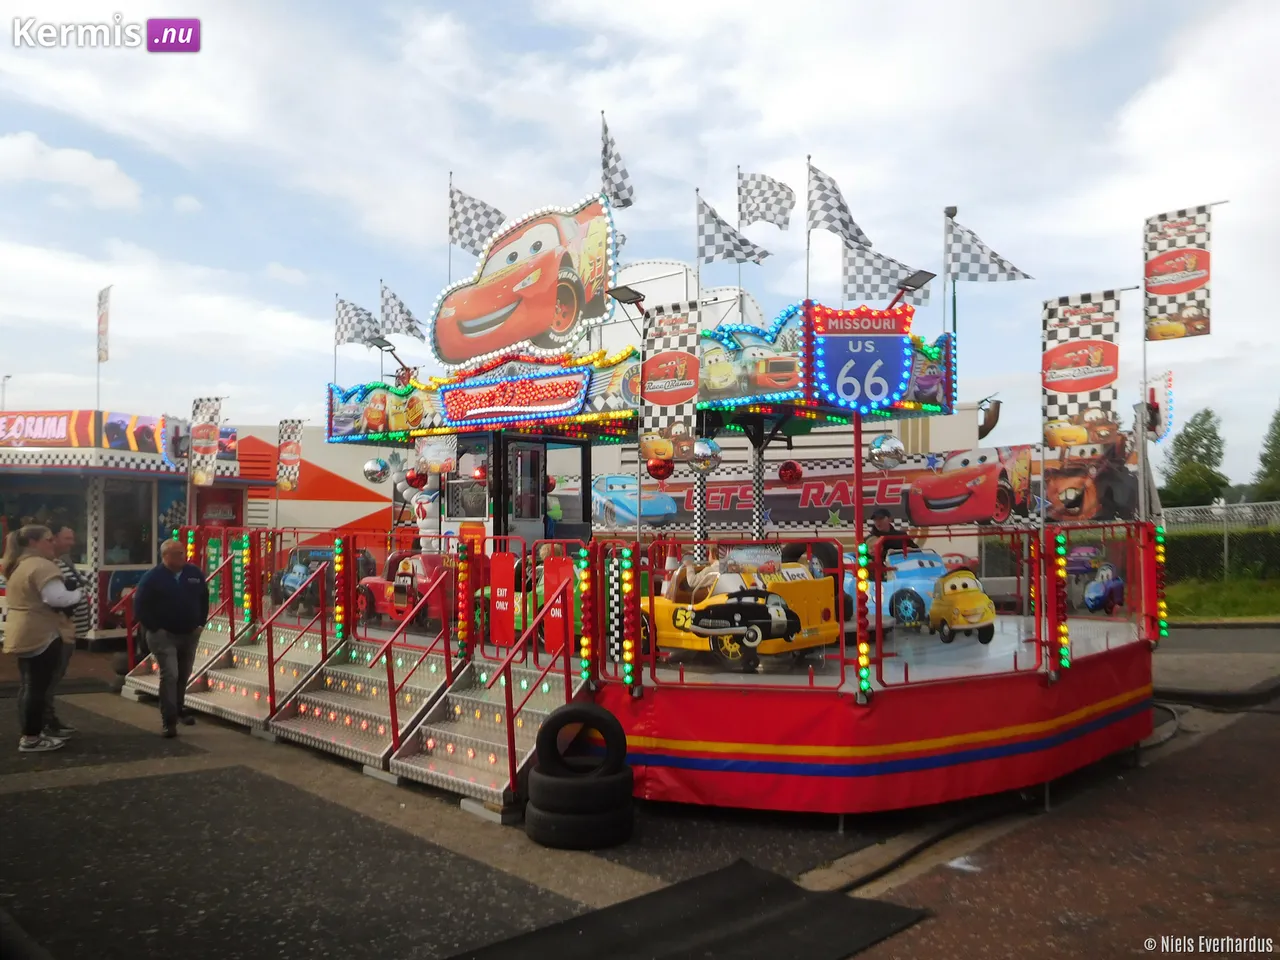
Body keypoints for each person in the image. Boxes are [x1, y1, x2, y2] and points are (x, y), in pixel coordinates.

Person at [1, 525, 83, 753]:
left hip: (24, 630)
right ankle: (32, 737)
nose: (52, 543)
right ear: (33, 542)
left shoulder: (19, 564)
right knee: (37, 687)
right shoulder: (40, 565)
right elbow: (57, 598)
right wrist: (77, 593)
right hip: (41, 633)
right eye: (48, 539)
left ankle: (32, 732)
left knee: (29, 685)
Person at [132, 539, 209, 737]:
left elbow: (204, 598)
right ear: (166, 556)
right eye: (177, 554)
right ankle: (169, 720)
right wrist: (154, 628)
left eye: (183, 553)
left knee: (183, 675)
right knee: (171, 675)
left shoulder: (194, 574)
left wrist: (201, 623)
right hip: (163, 635)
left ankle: (179, 708)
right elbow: (140, 605)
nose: (183, 557)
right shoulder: (152, 578)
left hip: (190, 634)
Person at [42, 522, 88, 738]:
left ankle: (48, 719)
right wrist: (77, 590)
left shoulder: (63, 561)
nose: (72, 542)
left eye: (72, 538)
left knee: (53, 676)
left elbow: (77, 584)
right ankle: (45, 721)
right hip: (59, 629)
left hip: (68, 628)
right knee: (49, 677)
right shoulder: (50, 564)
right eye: (67, 538)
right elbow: (61, 596)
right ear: (54, 539)